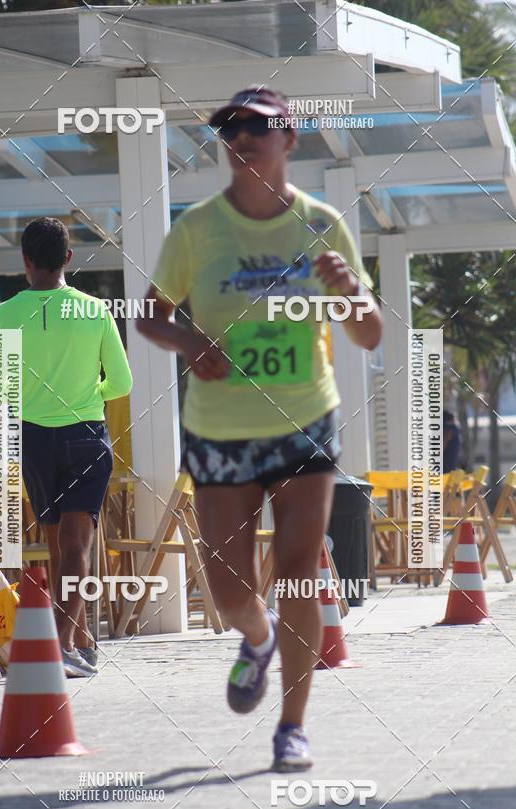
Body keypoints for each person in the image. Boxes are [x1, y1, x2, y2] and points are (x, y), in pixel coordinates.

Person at [137, 86, 382, 771]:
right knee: (228, 588)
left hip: (304, 418)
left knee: (302, 573)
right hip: (220, 428)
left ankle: (292, 727)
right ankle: (256, 638)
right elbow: (149, 315)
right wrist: (190, 345)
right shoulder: (196, 229)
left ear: (289, 139)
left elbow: (368, 332)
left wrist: (350, 291)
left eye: (257, 127)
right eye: (230, 129)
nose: (241, 137)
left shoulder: (324, 224)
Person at [0, 217, 132, 677]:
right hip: (85, 434)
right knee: (76, 544)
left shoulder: (5, 315)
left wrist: (34, 398)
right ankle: (70, 644)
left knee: (56, 540)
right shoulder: (94, 311)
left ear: (24, 261)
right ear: (68, 258)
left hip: (32, 439)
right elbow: (122, 383)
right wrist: (87, 392)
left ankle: (72, 643)